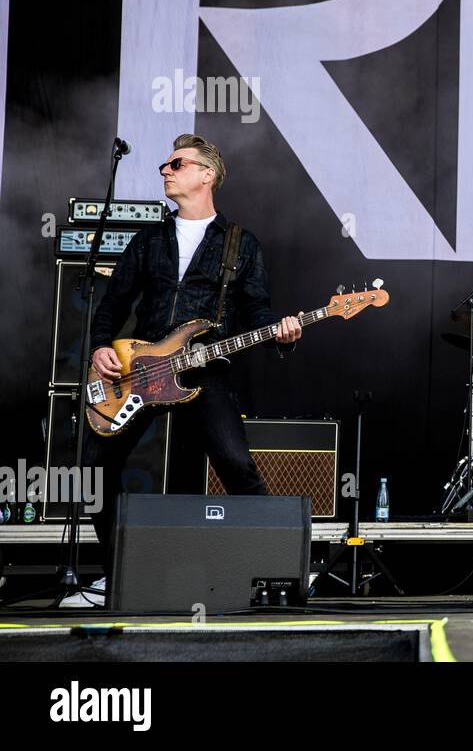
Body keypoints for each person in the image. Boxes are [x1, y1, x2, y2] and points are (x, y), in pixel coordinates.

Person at [66, 134, 302, 606]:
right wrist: (98, 349)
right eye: (164, 164)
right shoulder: (149, 238)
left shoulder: (240, 244)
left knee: (236, 465)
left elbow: (257, 313)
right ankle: (118, 572)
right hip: (138, 370)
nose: (165, 170)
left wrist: (283, 332)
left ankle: (279, 572)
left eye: (176, 163)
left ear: (206, 174)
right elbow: (112, 305)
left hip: (203, 368)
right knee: (93, 466)